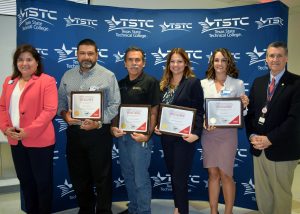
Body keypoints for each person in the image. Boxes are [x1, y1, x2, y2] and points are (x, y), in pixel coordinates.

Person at [57, 38, 120, 214]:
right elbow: (60, 103)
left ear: (97, 55)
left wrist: (98, 123)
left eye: (90, 53)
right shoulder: (67, 76)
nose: (86, 57)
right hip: (75, 133)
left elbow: (115, 105)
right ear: (77, 55)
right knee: (79, 177)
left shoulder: (108, 76)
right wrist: (65, 115)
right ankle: (85, 209)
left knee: (102, 177)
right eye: (82, 53)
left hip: (98, 133)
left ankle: (103, 210)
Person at [0, 44, 58, 213]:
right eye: (20, 59)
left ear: (37, 62)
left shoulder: (46, 81)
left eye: (29, 59)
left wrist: (28, 131)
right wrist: (5, 128)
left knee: (42, 183)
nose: (24, 63)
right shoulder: (9, 81)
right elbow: (2, 107)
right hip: (15, 140)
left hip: (39, 141)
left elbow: (50, 110)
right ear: (16, 62)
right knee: (25, 181)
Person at [245, 41, 300, 214]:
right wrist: (253, 135)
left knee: (281, 196)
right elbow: (252, 113)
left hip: (282, 150)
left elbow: (295, 120)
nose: (275, 59)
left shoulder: (297, 83)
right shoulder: (259, 82)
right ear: (266, 59)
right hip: (259, 148)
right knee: (263, 195)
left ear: (286, 58)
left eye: (279, 55)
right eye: (271, 55)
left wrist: (270, 139)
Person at [154, 48, 204, 214]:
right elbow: (161, 111)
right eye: (172, 61)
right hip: (167, 138)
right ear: (168, 64)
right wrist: (158, 126)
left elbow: (199, 110)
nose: (176, 65)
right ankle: (178, 207)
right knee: (174, 174)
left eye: (179, 61)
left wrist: (196, 133)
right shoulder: (164, 85)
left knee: (179, 177)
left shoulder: (192, 82)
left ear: (186, 63)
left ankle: (182, 210)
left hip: (184, 138)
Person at [111, 46, 160, 214]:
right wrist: (113, 128)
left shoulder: (151, 82)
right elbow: (116, 111)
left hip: (140, 140)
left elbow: (154, 111)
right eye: (130, 60)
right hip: (123, 138)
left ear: (143, 63)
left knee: (140, 179)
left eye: (137, 60)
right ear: (125, 63)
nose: (134, 63)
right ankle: (133, 209)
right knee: (129, 177)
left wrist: (147, 134)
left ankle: (144, 211)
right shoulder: (120, 84)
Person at [200, 48, 249, 214]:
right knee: (213, 173)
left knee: (226, 174)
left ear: (229, 63)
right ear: (212, 63)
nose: (219, 64)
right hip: (209, 134)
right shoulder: (203, 84)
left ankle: (228, 211)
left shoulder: (238, 84)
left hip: (228, 135)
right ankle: (214, 211)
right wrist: (203, 123)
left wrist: (243, 105)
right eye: (216, 60)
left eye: (223, 60)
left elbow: (242, 113)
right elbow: (199, 111)